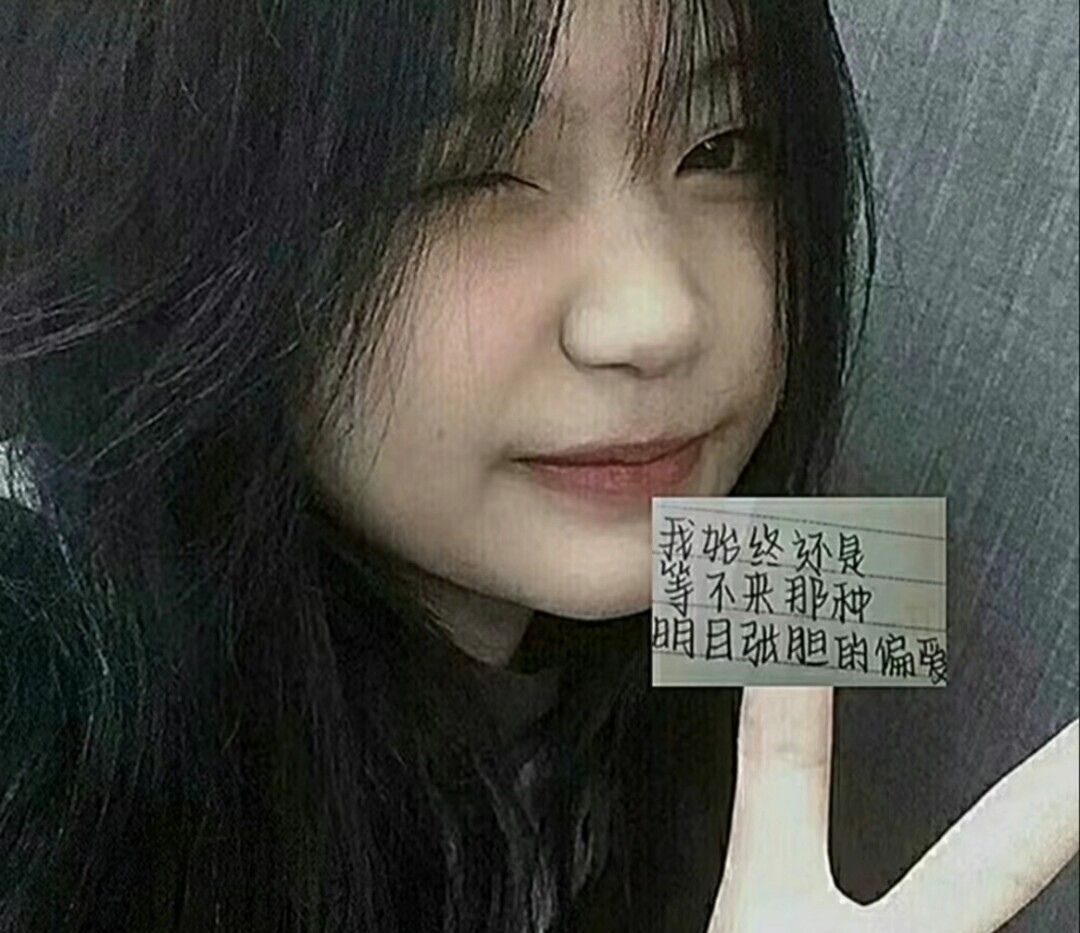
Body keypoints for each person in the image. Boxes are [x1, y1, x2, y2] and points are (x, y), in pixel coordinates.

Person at [0, 1, 1075, 931]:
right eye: (468, 171)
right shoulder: (62, 691)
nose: (655, 317)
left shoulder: (700, 563)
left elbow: (955, 625)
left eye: (723, 148)